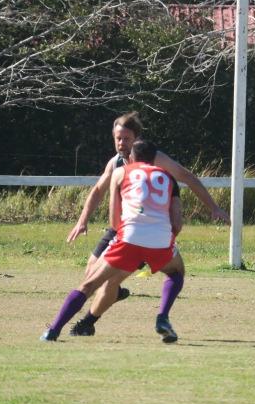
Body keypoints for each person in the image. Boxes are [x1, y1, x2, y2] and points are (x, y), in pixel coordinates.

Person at [66, 112, 229, 336]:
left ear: (137, 140)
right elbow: (97, 191)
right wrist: (82, 221)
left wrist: (213, 207)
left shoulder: (155, 159)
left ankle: (87, 323)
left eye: (126, 138)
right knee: (90, 273)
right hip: (118, 228)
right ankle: (114, 294)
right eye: (117, 138)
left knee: (106, 282)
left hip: (140, 231)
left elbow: (187, 177)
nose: (121, 143)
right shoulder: (114, 163)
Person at [41, 140, 185, 342]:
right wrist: (164, 242)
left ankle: (53, 331)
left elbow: (114, 221)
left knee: (88, 284)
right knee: (176, 271)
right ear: (155, 159)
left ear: (132, 158)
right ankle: (162, 318)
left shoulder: (120, 172)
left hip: (129, 237)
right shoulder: (169, 178)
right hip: (160, 240)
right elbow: (177, 222)